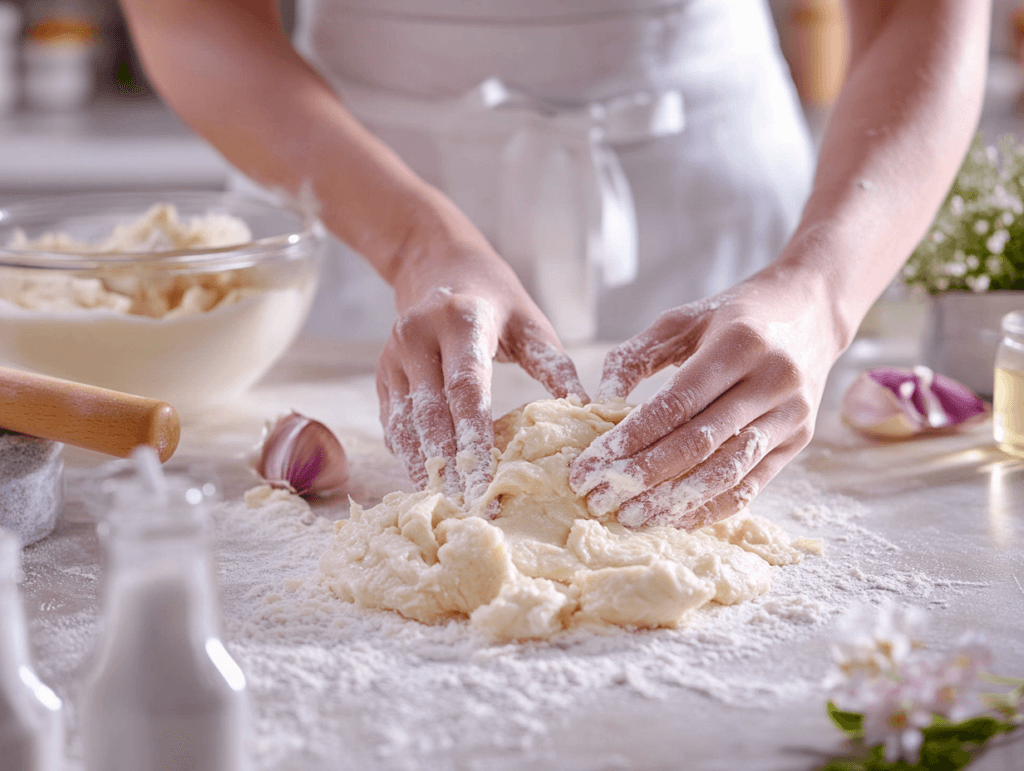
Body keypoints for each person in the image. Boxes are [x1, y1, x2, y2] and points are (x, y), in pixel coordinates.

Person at [120, 0, 990, 528]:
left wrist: (821, 289)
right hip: (353, 181)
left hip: (708, 201)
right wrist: (414, 240)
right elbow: (189, 13)